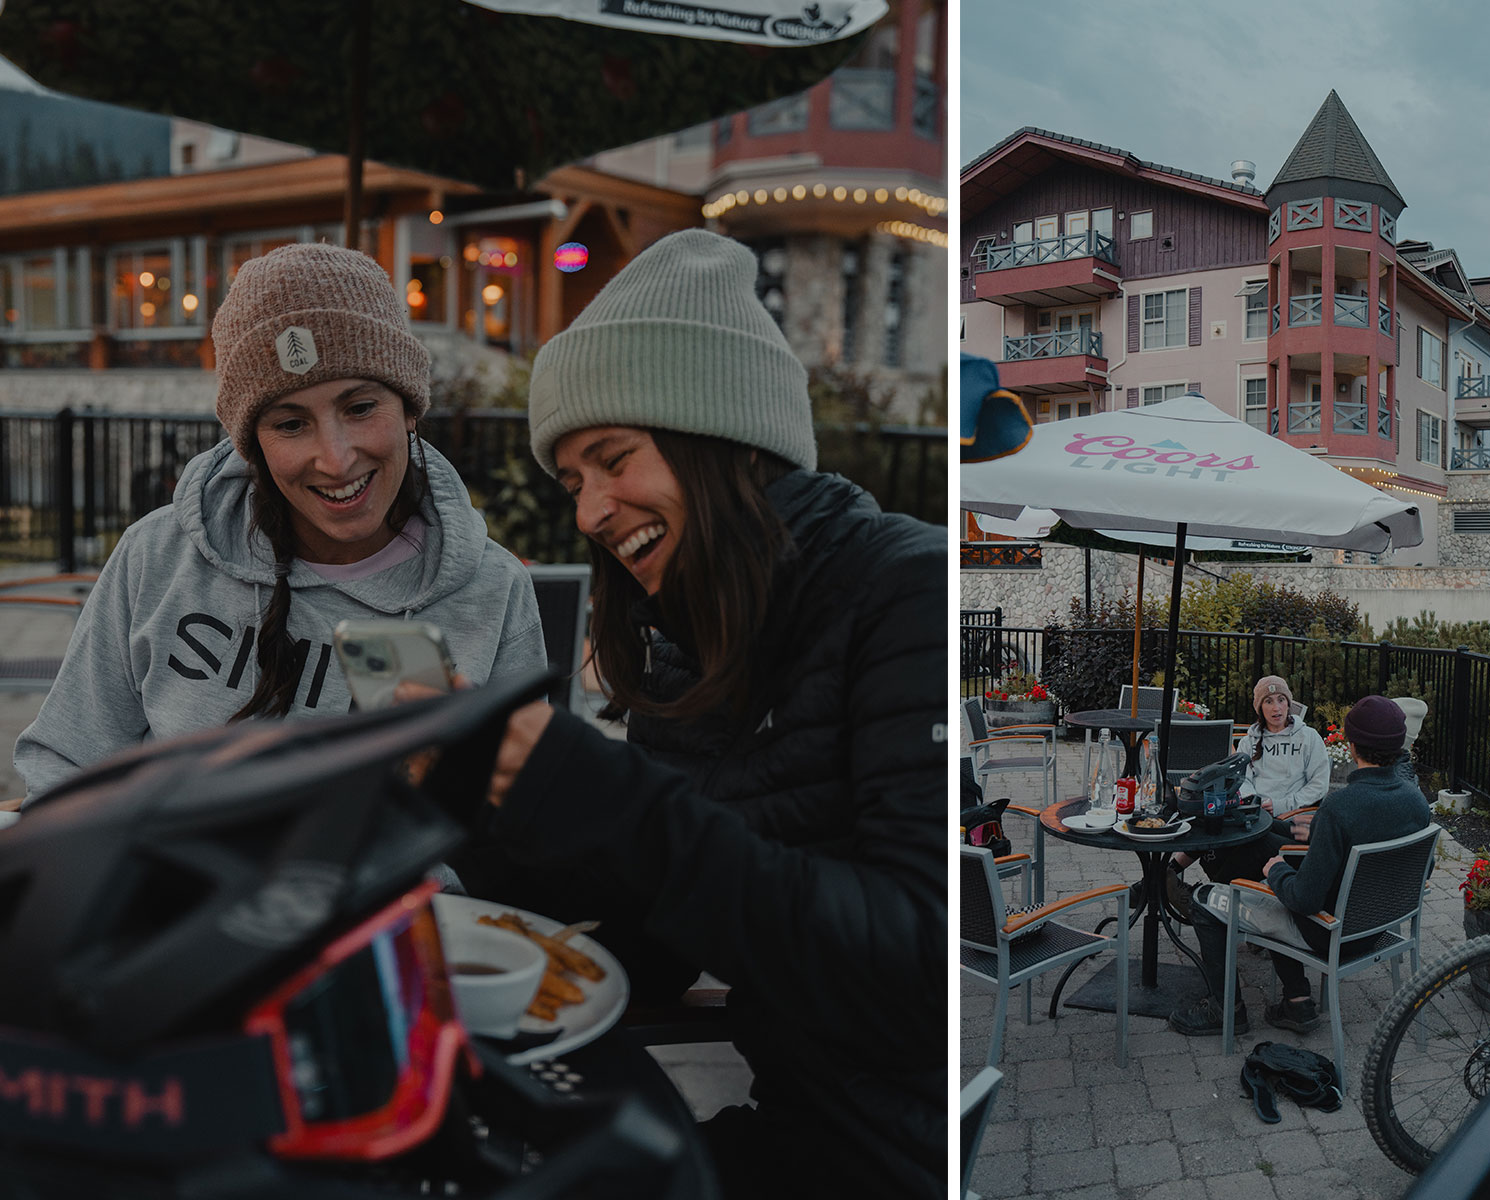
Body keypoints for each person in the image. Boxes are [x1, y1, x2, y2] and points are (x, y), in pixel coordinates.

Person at [420, 230, 946, 1200]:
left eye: (612, 458)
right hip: (800, 1131)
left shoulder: (907, 591)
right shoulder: (684, 642)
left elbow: (923, 981)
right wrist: (491, 819)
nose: (588, 511)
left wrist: (615, 803)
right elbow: (662, 939)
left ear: (720, 442)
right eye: (572, 481)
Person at [12, 243, 545, 800]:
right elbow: (68, 763)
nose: (335, 459)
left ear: (410, 408)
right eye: (291, 424)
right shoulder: (157, 557)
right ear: (252, 446)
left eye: (360, 408)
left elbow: (521, 828)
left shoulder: (493, 589)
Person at [1168, 694, 1431, 1037]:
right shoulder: (1416, 801)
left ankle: (1225, 1011)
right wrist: (1309, 837)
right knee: (1268, 854)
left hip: (1328, 931)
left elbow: (1303, 899)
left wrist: (1275, 870)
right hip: (1377, 926)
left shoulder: (1340, 808)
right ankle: (1297, 1002)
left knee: (1208, 898)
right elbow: (1417, 871)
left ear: (1352, 746)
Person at [1163, 674, 1330, 917]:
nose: (1277, 707)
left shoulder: (1309, 738)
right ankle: (1170, 878)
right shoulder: (1250, 740)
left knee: (1241, 839)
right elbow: (1243, 780)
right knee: (1213, 818)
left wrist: (1281, 804)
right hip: (1253, 811)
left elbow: (1319, 785)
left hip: (1290, 818)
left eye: (1282, 700)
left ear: (1289, 703)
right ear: (1260, 707)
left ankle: (1195, 896)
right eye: (1269, 701)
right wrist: (1256, 801)